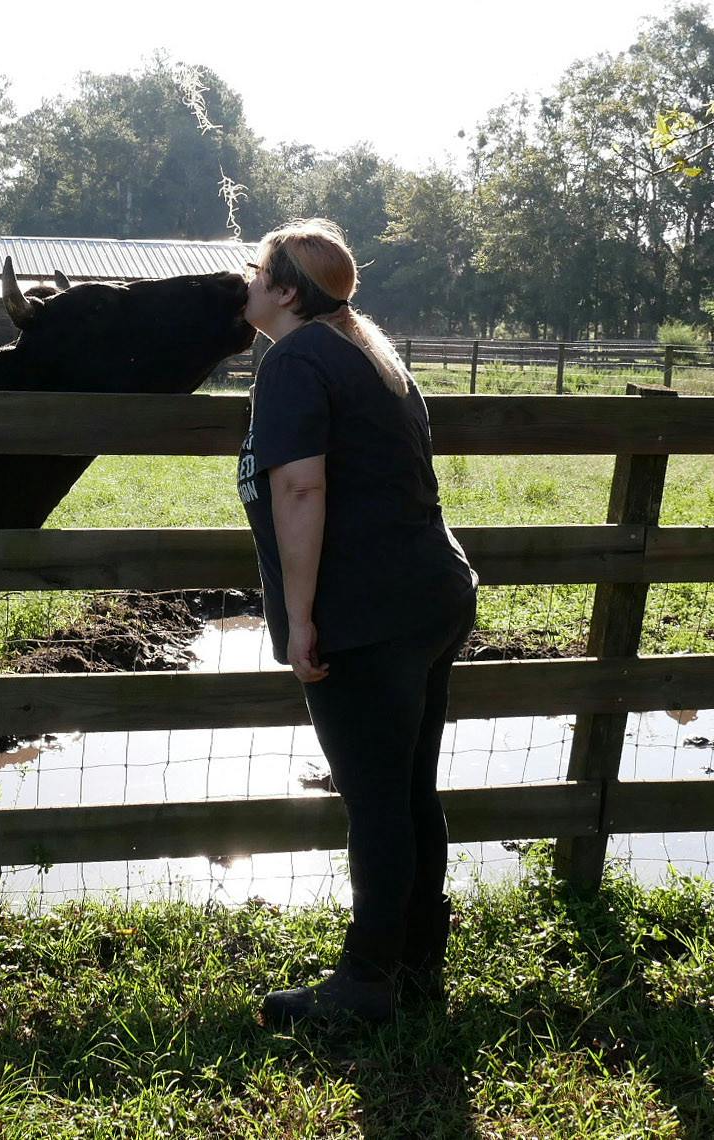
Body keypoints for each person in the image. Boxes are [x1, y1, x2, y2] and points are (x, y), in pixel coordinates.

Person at [236, 218, 478, 1025]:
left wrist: (300, 616)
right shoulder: (364, 350)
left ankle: (367, 983)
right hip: (427, 593)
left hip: (370, 610)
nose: (246, 281)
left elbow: (301, 490)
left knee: (377, 800)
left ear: (285, 289)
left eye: (255, 270)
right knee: (408, 790)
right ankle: (416, 966)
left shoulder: (298, 359)